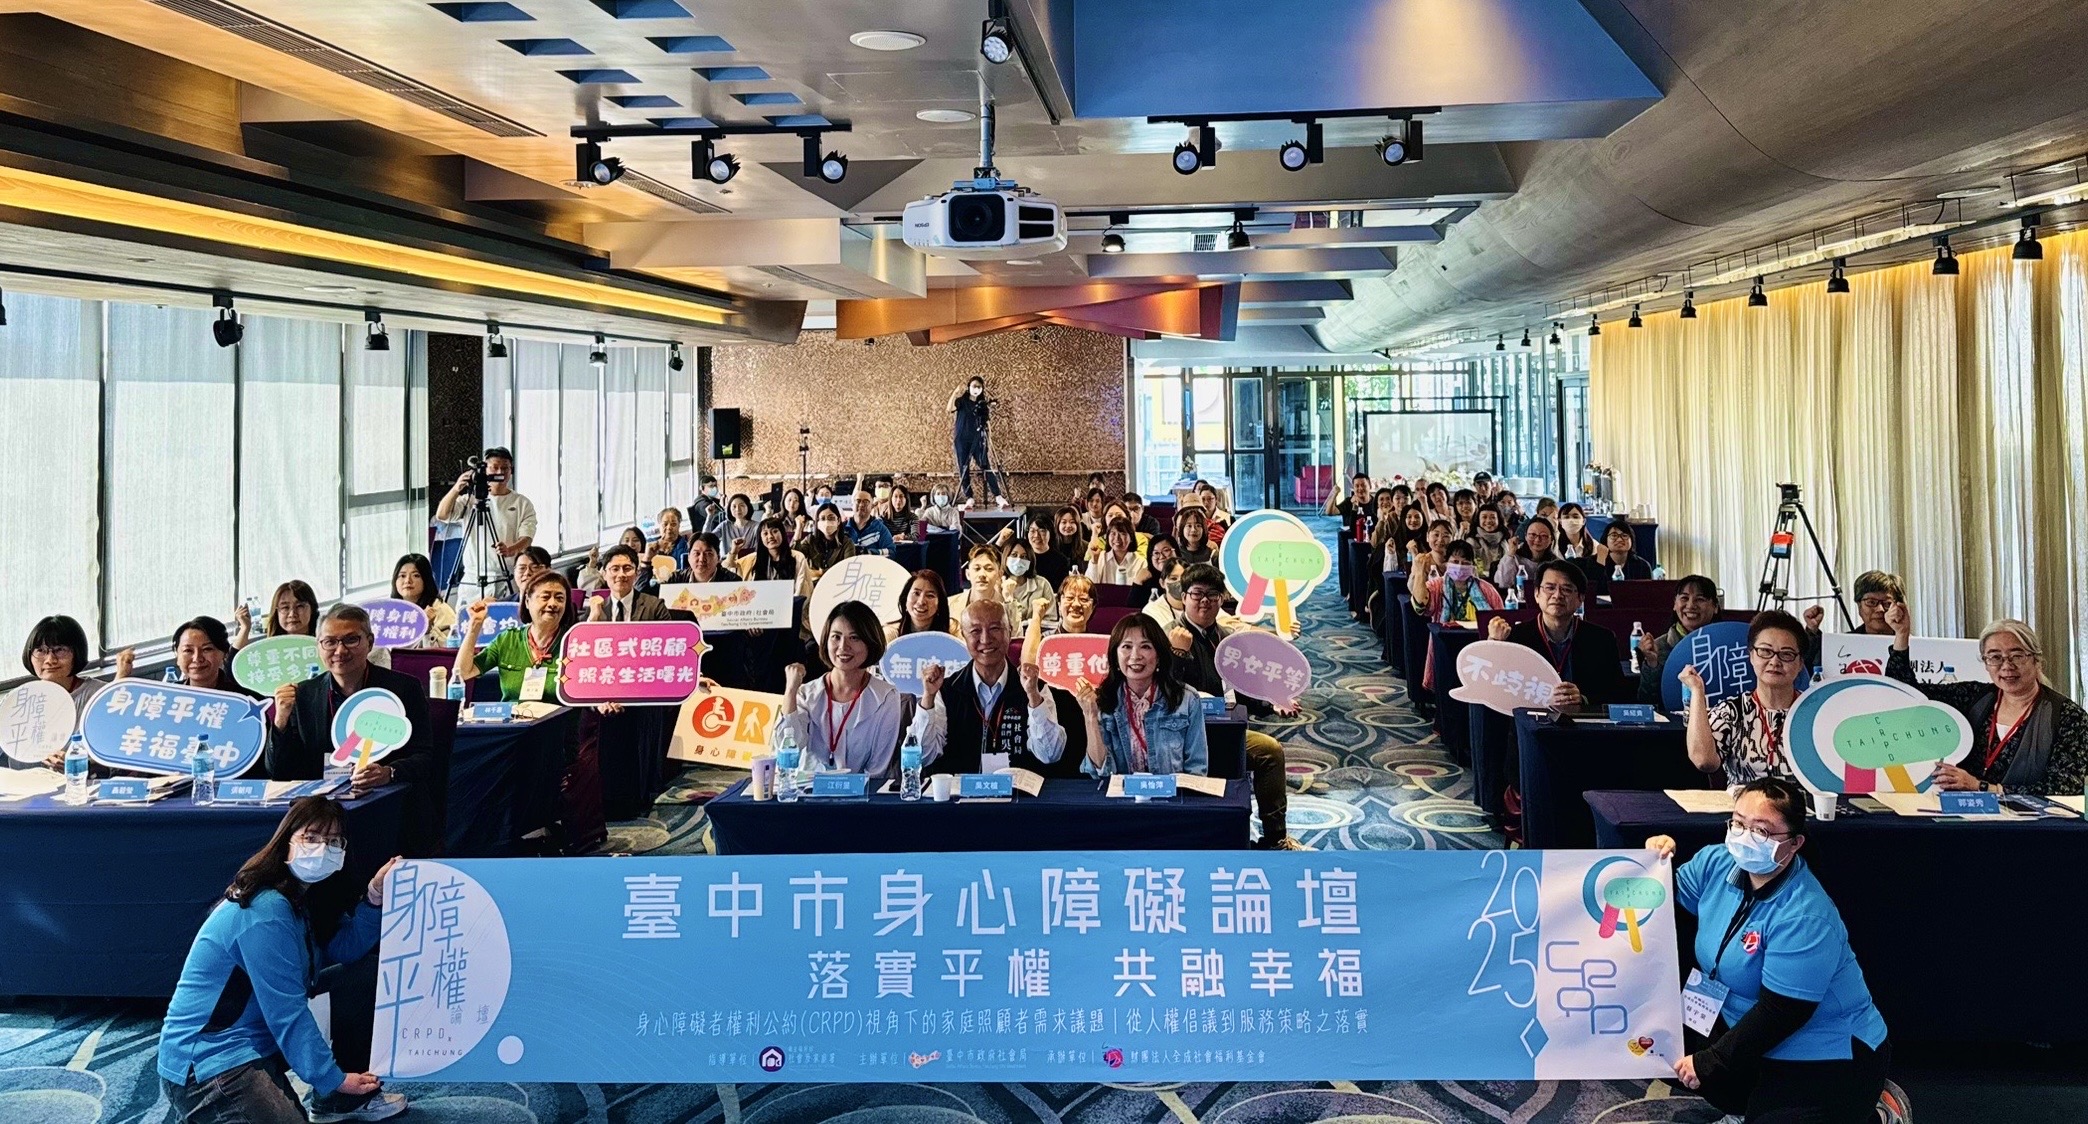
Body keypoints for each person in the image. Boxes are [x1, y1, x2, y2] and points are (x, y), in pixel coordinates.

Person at [1646, 778, 1892, 1122]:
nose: (1744, 837)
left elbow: (1781, 1013)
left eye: (1761, 831)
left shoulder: (1805, 914)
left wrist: (1712, 1061)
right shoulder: (1715, 862)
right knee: (1651, 1045)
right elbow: (1660, 901)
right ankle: (1745, 1103)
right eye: (1738, 823)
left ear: (1794, 843)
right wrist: (1654, 861)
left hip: (1824, 1049)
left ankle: (1874, 1111)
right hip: (1737, 1017)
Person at [156, 798, 408, 1124]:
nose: (323, 849)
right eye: (312, 837)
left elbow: (346, 949)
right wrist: (333, 1078)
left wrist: (374, 896)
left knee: (362, 978)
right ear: (286, 841)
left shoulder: (303, 897)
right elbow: (286, 1011)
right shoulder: (266, 910)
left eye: (334, 841)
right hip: (210, 1061)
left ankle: (335, 1103)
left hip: (258, 1042)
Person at [266, 606, 434, 845]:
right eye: (330, 642)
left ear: (370, 642)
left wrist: (389, 773)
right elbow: (279, 772)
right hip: (321, 815)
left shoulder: (403, 689)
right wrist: (280, 721)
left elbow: (426, 757)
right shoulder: (304, 694)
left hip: (386, 808)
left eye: (351, 640)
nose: (340, 650)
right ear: (318, 646)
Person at [1167, 565, 1306, 848]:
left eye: (1213, 595)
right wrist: (1178, 653)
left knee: (1270, 751)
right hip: (1181, 735)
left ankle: (1275, 838)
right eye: (1197, 594)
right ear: (1184, 596)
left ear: (1222, 599)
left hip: (1226, 729)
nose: (1205, 601)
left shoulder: (1228, 638)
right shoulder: (1168, 636)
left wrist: (1272, 702)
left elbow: (1243, 687)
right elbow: (1165, 692)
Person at [1883, 609, 2087, 796]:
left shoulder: (2068, 717)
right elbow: (1906, 694)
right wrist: (1902, 635)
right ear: (1986, 664)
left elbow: (2066, 787)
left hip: (2030, 821)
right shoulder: (1974, 697)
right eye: (1995, 657)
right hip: (1960, 812)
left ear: (2037, 661)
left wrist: (1982, 787)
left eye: (2017, 656)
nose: (2006, 666)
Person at [909, 598, 1069, 775]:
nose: (985, 639)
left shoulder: (1034, 688)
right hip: (960, 791)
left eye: (995, 629)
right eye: (975, 631)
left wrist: (1033, 697)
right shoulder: (946, 690)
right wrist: (928, 698)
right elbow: (921, 757)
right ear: (963, 636)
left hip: (1017, 791)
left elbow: (1050, 754)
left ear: (1009, 631)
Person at [777, 601, 912, 777]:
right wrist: (790, 691)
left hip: (862, 792)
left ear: (870, 642)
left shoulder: (885, 697)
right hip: (808, 790)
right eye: (836, 637)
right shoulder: (806, 694)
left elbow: (878, 769)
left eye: (854, 638)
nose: (843, 646)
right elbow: (789, 751)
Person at [1681, 610, 1810, 786]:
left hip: (1802, 803)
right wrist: (1697, 691)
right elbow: (1704, 761)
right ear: (1751, 655)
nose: (1774, 661)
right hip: (1744, 802)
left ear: (1800, 663)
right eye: (1765, 651)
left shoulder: (1815, 713)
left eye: (1786, 654)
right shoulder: (1732, 711)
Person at [1076, 614, 1209, 777]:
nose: (1135, 656)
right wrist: (1090, 716)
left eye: (1145, 646)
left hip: (1172, 792)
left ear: (1159, 656)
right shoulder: (1103, 700)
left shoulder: (1187, 699)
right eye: (1126, 646)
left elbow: (1197, 770)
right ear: (1115, 657)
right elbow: (1099, 772)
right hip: (1121, 793)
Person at [1485, 560, 1625, 706]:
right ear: (1537, 594)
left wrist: (1583, 700)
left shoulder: (1601, 639)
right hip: (1531, 717)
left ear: (1580, 598)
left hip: (1581, 718)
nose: (1557, 595)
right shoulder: (1515, 638)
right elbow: (1495, 690)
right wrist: (1494, 644)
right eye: (1550, 588)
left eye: (1566, 589)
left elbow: (1618, 693)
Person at [433, 446, 537, 600]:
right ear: (484, 470)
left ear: (511, 471)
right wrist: (456, 489)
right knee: (469, 615)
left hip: (506, 574)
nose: (500, 472)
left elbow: (527, 537)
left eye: (505, 468)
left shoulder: (522, 503)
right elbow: (442, 515)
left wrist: (510, 550)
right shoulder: (470, 500)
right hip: (473, 576)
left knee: (506, 614)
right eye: (494, 467)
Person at [455, 570, 575, 702]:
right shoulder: (507, 639)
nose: (553, 604)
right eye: (545, 597)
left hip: (559, 715)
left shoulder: (574, 643)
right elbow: (463, 673)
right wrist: (474, 626)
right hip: (511, 714)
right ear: (527, 602)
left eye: (560, 598)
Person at [1636, 575, 1722, 704]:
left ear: (1715, 606)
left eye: (1700, 599)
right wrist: (1652, 663)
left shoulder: (1729, 644)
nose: (1691, 605)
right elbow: (1647, 701)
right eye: (1684, 598)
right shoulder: (1658, 647)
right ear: (1675, 604)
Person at [1800, 570, 1903, 668]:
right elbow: (1805, 669)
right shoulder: (1842, 644)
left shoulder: (1908, 643)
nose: (1880, 609)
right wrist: (1811, 631)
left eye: (1887, 604)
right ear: (1859, 606)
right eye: (1871, 602)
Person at [20, 614, 120, 712]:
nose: (50, 660)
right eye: (41, 650)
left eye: (59, 650)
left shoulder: (99, 694)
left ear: (77, 652)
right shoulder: (22, 701)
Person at [947, 374, 1007, 506]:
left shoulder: (982, 404)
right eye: (974, 386)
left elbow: (987, 422)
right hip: (962, 440)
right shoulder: (962, 401)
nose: (976, 389)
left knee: (986, 466)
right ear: (969, 387)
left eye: (979, 387)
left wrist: (988, 438)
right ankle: (969, 497)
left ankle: (998, 496)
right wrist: (955, 393)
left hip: (978, 440)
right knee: (963, 467)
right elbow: (949, 408)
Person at [1424, 540, 1504, 627]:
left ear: (1472, 566)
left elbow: (1501, 620)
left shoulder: (1487, 589)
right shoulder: (1436, 586)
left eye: (1465, 563)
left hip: (1479, 635)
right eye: (1455, 562)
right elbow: (1422, 609)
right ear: (1446, 563)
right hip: (1445, 634)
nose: (1460, 566)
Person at [949, 544, 1023, 636]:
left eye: (989, 569)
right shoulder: (950, 604)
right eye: (977, 569)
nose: (982, 574)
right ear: (967, 574)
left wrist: (1009, 599)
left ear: (1000, 574)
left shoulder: (1009, 605)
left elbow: (1017, 637)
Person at [587, 545, 671, 623]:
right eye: (615, 569)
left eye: (627, 569)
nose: (621, 574)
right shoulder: (595, 608)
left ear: (637, 573)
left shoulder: (655, 607)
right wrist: (592, 621)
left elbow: (669, 634)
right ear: (604, 574)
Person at [735, 517, 811, 600]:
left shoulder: (798, 557)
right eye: (765, 533)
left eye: (774, 531)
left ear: (782, 533)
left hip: (790, 604)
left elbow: (801, 589)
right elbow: (731, 567)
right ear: (760, 538)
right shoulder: (753, 559)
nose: (770, 536)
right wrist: (733, 552)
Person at [390, 554, 456, 648]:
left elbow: (449, 649)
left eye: (416, 575)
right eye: (402, 576)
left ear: (426, 580)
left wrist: (427, 629)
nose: (408, 580)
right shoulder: (392, 611)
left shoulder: (440, 609)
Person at [236, 580, 319, 649]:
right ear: (276, 612)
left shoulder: (323, 643)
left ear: (312, 608)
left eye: (300, 606)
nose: (292, 614)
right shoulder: (270, 648)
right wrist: (245, 628)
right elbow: (233, 663)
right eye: (285, 607)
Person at [1493, 515, 1559, 595]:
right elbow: (1502, 583)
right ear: (1525, 536)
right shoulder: (1515, 558)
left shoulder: (1555, 562)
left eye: (1543, 536)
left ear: (1551, 539)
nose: (1537, 539)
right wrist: (1511, 553)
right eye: (1532, 535)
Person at [1588, 517, 1654, 593]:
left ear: (1632, 540)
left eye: (1625, 535)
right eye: (1614, 535)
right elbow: (1593, 591)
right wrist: (1600, 564)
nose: (1619, 539)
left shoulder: (1642, 565)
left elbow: (1648, 593)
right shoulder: (1594, 562)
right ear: (1605, 540)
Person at [1404, 519, 1455, 612]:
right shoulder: (1422, 561)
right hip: (1429, 609)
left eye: (1446, 536)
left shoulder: (1457, 562)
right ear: (1427, 537)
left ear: (1453, 539)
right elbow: (1412, 590)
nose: (1440, 539)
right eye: (1436, 535)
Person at [798, 503, 856, 581]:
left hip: (837, 583)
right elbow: (795, 557)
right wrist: (798, 530)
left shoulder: (847, 543)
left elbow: (847, 568)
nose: (827, 522)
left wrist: (820, 572)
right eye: (822, 518)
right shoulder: (810, 540)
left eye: (831, 518)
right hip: (813, 585)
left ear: (838, 521)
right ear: (817, 522)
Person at [1001, 542, 1056, 624]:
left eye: (1024, 557)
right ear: (1006, 559)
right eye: (1014, 555)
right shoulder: (997, 585)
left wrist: (1031, 624)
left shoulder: (1042, 584)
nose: (1019, 560)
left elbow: (1051, 619)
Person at [889, 569, 951, 640]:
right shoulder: (891, 634)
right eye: (916, 593)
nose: (921, 602)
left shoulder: (952, 632)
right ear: (905, 598)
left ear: (939, 603)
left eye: (930, 595)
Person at [1087, 517, 1151, 585]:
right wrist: (1094, 561)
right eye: (1113, 533)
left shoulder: (1140, 562)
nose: (1117, 538)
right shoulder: (1100, 557)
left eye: (1122, 534)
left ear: (1131, 538)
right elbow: (1090, 586)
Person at [842, 488, 897, 556]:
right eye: (858, 501)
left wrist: (869, 552)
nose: (861, 505)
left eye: (866, 502)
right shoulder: (842, 528)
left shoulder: (880, 529)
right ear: (852, 505)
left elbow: (891, 551)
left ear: (872, 506)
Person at [1024, 516, 1071, 588]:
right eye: (1032, 531)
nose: (1036, 535)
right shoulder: (1023, 557)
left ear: (1051, 533)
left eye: (1042, 531)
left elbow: (1061, 589)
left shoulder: (1061, 561)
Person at [1139, 535, 1182, 614]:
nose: (1161, 556)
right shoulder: (1145, 579)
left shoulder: (1187, 574)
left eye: (1166, 550)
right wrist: (1137, 582)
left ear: (1176, 551)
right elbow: (1132, 609)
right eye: (1156, 553)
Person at [1325, 472, 1374, 539]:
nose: (1360, 488)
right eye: (1357, 486)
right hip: (1351, 540)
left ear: (1370, 486)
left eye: (1363, 485)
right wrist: (1334, 494)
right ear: (1353, 488)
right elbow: (1329, 512)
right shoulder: (1348, 502)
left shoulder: (1376, 503)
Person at [716, 494, 761, 559]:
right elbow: (707, 539)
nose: (738, 509)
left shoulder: (756, 526)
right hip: (728, 563)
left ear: (748, 507)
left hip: (750, 562)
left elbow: (758, 551)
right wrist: (710, 516)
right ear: (729, 509)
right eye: (734, 506)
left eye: (742, 505)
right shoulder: (725, 525)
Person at [1469, 506, 1510, 575]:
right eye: (1484, 517)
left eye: (1493, 517)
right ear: (1478, 520)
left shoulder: (1505, 539)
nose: (1488, 521)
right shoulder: (1472, 541)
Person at [649, 506, 690, 570]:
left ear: (679, 525)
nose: (669, 528)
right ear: (659, 526)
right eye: (665, 524)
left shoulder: (687, 548)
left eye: (673, 524)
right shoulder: (650, 545)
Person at [1052, 506, 1089, 571]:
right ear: (1057, 525)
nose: (1068, 525)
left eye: (1072, 522)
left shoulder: (1086, 546)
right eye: (1064, 522)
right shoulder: (1051, 546)